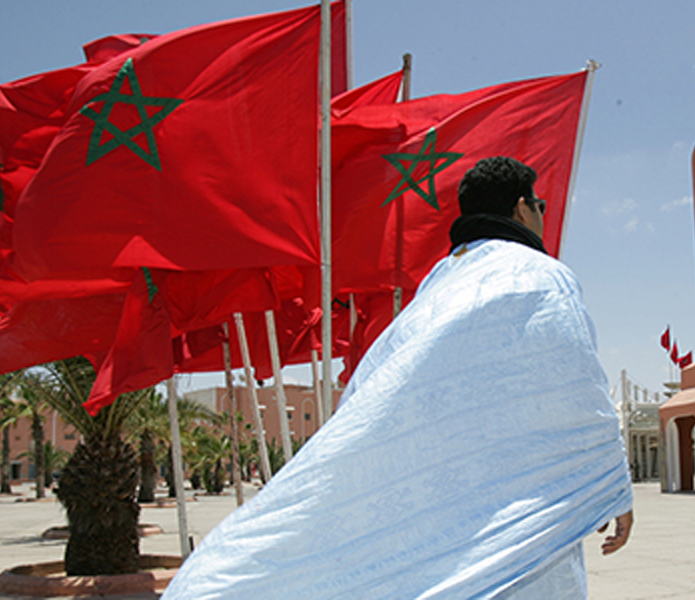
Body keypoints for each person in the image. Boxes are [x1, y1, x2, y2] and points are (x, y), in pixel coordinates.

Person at [164, 156, 633, 599]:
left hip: (445, 518)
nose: (543, 216)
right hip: (522, 528)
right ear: (520, 208)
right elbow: (574, 385)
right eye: (540, 205)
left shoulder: (437, 289)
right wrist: (609, 483)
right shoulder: (539, 277)